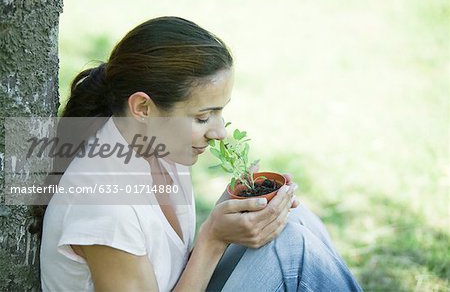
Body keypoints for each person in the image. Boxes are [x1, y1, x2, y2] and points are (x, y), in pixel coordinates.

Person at [37, 16, 363, 291]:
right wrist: (213, 238)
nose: (219, 131)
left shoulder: (158, 144)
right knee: (292, 249)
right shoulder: (104, 207)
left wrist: (232, 209)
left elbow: (170, 270)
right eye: (203, 117)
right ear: (142, 107)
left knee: (292, 218)